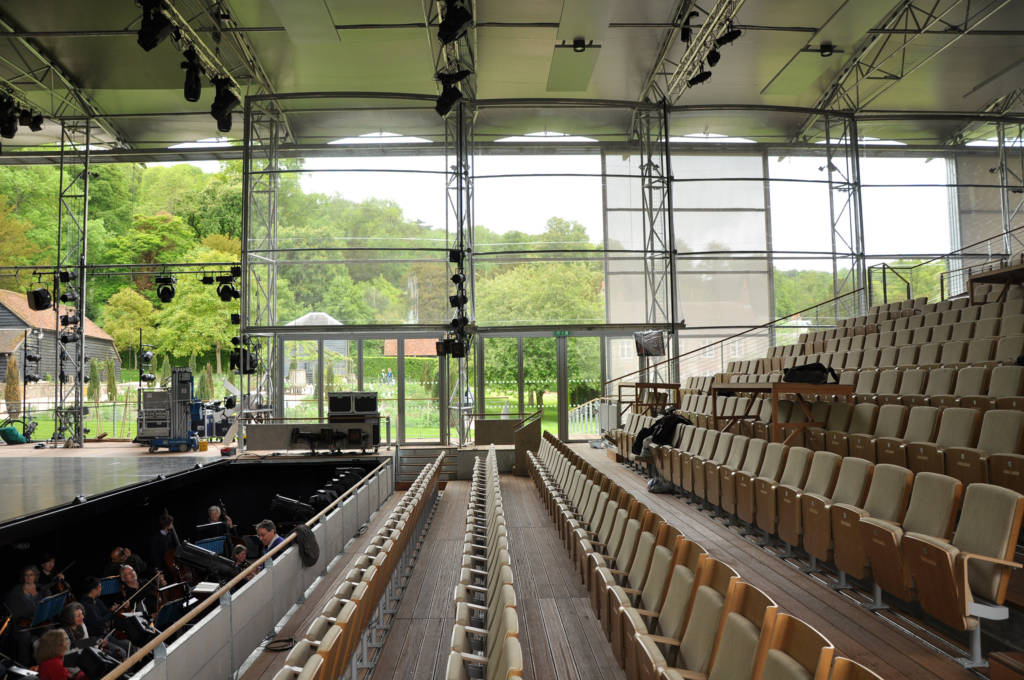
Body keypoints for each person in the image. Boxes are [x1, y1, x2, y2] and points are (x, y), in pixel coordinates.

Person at [4, 566, 47, 665]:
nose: (28, 577)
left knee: (48, 631)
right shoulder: (16, 591)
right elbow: (12, 612)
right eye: (26, 575)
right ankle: (25, 666)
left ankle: (46, 664)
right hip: (21, 624)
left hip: (38, 622)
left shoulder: (42, 589)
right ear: (23, 576)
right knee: (24, 636)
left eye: (31, 575)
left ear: (35, 576)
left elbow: (48, 603)